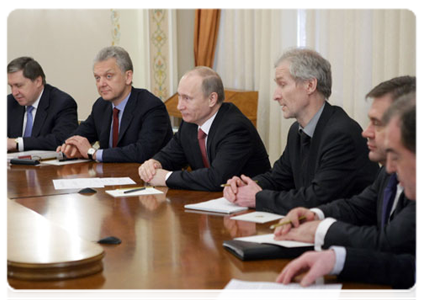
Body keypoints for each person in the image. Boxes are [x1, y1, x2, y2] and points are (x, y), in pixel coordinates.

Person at [277, 92, 420, 300]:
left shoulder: (339, 132)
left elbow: (390, 242)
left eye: (377, 123)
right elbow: (411, 267)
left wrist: (320, 230)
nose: (366, 132)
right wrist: (336, 258)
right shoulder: (388, 173)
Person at [223, 48, 379, 214]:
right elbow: (279, 177)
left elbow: (317, 198)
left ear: (310, 85)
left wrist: (258, 197)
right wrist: (244, 186)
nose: (276, 95)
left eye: (282, 84)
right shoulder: (297, 130)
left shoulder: (341, 134)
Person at [138, 66, 271, 191]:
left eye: (187, 98)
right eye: (179, 97)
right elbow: (170, 155)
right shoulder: (190, 123)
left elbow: (217, 178)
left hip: (249, 206)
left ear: (212, 99)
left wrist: (166, 178)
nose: (179, 106)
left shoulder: (235, 128)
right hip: (211, 201)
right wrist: (154, 163)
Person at [57, 46, 173, 163]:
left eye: (108, 76)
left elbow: (142, 152)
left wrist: (93, 153)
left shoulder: (151, 106)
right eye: (97, 78)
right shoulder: (101, 105)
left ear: (128, 77)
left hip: (146, 177)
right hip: (110, 176)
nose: (101, 84)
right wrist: (69, 146)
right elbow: (81, 134)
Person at [5, 57, 78, 151]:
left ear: (38, 81)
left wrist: (18, 143)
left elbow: (62, 140)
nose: (14, 92)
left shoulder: (62, 103)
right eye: (11, 86)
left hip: (47, 164)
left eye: (19, 85)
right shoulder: (10, 102)